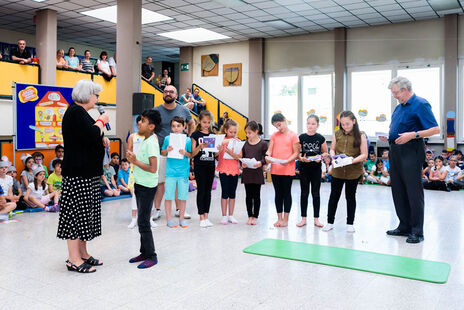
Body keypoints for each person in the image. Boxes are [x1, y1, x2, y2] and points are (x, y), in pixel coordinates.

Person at [58, 79, 110, 273]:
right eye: (96, 95)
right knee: (75, 216)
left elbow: (89, 136)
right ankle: (73, 258)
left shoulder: (83, 113)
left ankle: (83, 253)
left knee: (86, 216)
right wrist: (101, 122)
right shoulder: (75, 112)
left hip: (87, 173)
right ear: (87, 95)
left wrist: (102, 136)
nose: (97, 99)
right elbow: (89, 134)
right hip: (78, 175)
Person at [386, 76, 440, 244]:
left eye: (395, 92)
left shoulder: (421, 104)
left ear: (405, 89)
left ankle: (417, 231)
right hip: (395, 151)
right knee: (398, 190)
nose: (394, 96)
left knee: (413, 192)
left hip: (411, 151)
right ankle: (404, 226)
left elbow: (435, 129)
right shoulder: (399, 108)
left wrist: (414, 134)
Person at [152, 85, 195, 221]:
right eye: (165, 92)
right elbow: (150, 127)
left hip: (180, 153)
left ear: (176, 95)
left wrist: (189, 136)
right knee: (160, 183)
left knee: (178, 181)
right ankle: (157, 210)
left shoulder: (183, 110)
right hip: (162, 152)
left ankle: (179, 209)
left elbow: (192, 123)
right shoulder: (156, 110)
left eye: (171, 92)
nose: (168, 94)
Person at [126, 109, 161, 269]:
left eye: (144, 121)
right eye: (140, 120)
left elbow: (153, 168)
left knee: (143, 222)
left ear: (151, 126)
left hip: (148, 186)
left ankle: (152, 256)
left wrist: (135, 161)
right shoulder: (145, 140)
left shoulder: (152, 143)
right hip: (140, 184)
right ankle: (144, 252)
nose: (139, 122)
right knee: (141, 221)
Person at [323, 110, 368, 233]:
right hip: (338, 170)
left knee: (350, 197)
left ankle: (350, 223)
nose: (345, 126)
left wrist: (351, 161)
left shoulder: (361, 135)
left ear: (354, 121)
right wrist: (333, 157)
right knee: (334, 196)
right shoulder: (337, 133)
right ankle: (330, 222)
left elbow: (364, 154)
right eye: (343, 124)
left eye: (347, 124)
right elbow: (332, 149)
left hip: (353, 171)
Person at [265, 113, 300, 228]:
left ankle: (286, 219)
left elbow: (296, 153)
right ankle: (279, 218)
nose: (278, 128)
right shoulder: (274, 136)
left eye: (279, 125)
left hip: (288, 168)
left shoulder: (293, 136)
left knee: (286, 193)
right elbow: (270, 150)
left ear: (285, 120)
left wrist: (287, 161)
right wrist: (267, 156)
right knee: (278, 194)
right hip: (275, 169)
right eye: (276, 126)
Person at [160, 116, 192, 228]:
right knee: (168, 196)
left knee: (183, 197)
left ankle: (182, 219)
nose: (176, 128)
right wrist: (167, 150)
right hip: (170, 173)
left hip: (183, 172)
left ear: (184, 127)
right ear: (171, 127)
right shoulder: (167, 139)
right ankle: (169, 219)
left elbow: (190, 154)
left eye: (179, 126)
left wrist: (185, 153)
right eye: (173, 126)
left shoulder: (187, 140)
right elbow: (162, 153)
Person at [297, 115, 328, 228]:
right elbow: (297, 153)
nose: (310, 126)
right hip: (304, 169)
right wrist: (301, 158)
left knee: (316, 194)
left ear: (317, 125)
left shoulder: (320, 138)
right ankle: (303, 218)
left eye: (313, 124)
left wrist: (320, 156)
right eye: (309, 123)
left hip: (316, 169)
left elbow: (325, 152)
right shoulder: (301, 137)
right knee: (304, 193)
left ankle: (316, 219)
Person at [191, 110, 218, 227]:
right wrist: (200, 146)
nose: (206, 124)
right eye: (204, 122)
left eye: (208, 122)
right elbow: (192, 153)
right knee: (201, 191)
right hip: (199, 165)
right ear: (199, 121)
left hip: (210, 165)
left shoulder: (213, 134)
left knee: (208, 191)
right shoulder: (195, 135)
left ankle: (207, 216)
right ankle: (201, 216)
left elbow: (215, 155)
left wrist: (220, 149)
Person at [240, 121, 267, 225]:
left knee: (256, 195)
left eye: (249, 133)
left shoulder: (263, 144)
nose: (247, 135)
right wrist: (242, 164)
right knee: (248, 195)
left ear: (256, 132)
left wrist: (261, 163)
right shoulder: (245, 144)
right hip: (247, 173)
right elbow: (242, 157)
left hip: (257, 173)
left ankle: (255, 216)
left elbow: (266, 158)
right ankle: (249, 215)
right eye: (246, 133)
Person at [216, 119, 241, 225]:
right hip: (223, 169)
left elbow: (239, 156)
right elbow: (216, 155)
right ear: (226, 130)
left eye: (235, 132)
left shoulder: (237, 141)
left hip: (234, 169)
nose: (233, 134)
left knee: (232, 193)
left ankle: (231, 215)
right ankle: (224, 215)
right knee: (224, 193)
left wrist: (230, 152)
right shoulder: (222, 140)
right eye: (231, 132)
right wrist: (221, 148)